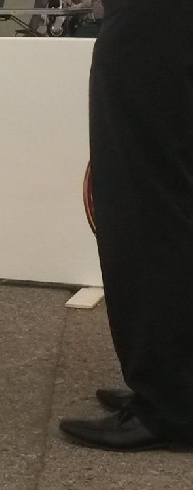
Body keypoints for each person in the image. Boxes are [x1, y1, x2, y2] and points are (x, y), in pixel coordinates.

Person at [59, 0, 193, 451]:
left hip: (151, 20)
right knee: (167, 195)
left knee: (142, 205)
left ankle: (169, 406)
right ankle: (175, 385)